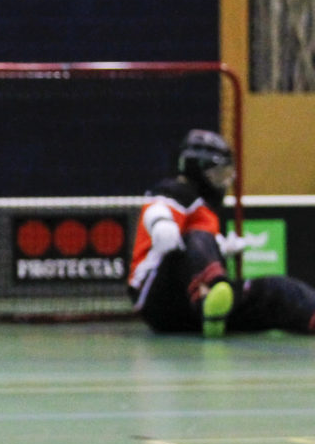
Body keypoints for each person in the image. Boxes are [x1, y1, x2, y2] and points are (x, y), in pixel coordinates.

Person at [128, 128, 315, 336]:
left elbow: (198, 252)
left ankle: (309, 314)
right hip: (157, 300)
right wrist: (161, 223)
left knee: (276, 289)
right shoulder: (175, 190)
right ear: (196, 171)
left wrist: (221, 246)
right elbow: (158, 208)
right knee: (198, 236)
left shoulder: (206, 213)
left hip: (191, 312)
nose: (223, 183)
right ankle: (210, 296)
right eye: (216, 175)